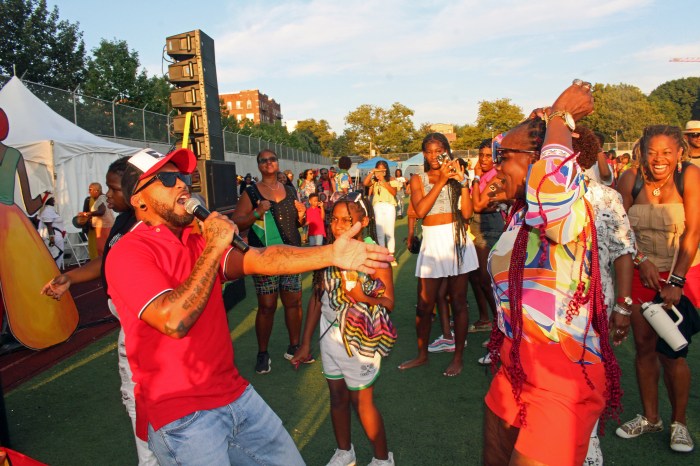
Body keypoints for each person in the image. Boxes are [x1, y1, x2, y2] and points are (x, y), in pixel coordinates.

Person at [104, 147, 393, 465]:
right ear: (139, 200)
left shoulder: (196, 241)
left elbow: (261, 258)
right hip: (180, 415)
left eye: (184, 176)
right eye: (168, 178)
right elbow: (174, 319)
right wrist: (214, 245)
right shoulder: (128, 252)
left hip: (233, 393)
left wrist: (329, 254)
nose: (182, 185)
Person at [482, 81, 622, 466]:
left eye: (502, 156)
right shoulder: (520, 213)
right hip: (515, 363)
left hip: (560, 371)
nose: (493, 167)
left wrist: (561, 115)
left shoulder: (565, 204)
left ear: (536, 161)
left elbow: (553, 197)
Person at [41, 155, 157, 465]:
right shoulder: (122, 220)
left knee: (146, 401)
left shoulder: (150, 225)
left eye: (114, 189)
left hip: (148, 328)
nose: (108, 195)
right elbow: (106, 261)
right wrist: (70, 277)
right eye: (106, 188)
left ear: (135, 191)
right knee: (136, 403)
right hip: (129, 329)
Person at [292, 193, 395, 466]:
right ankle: (344, 452)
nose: (338, 226)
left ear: (364, 221)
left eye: (346, 220)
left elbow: (389, 302)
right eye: (334, 219)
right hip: (330, 334)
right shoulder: (330, 250)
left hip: (360, 338)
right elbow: (318, 297)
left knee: (362, 403)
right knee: (336, 396)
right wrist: (305, 344)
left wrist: (363, 298)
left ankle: (383, 459)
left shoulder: (373, 254)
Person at [615, 124, 700, 453]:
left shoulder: (689, 176)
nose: (659, 159)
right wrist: (641, 261)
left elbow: (693, 232)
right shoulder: (629, 178)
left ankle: (679, 422)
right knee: (644, 348)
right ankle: (651, 418)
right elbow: (619, 229)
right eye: (652, 152)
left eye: (667, 152)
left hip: (682, 273)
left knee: (673, 352)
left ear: (680, 152)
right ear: (642, 151)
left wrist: (675, 280)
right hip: (641, 273)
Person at [572, 126, 636, 465]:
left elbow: (623, 251)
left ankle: (589, 452)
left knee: (589, 381)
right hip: (550, 310)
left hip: (596, 303)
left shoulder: (605, 196)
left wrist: (624, 306)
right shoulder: (537, 199)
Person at [399, 132, 477, 377]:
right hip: (432, 242)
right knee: (424, 305)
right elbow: (420, 210)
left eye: (438, 151)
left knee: (459, 302)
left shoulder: (458, 179)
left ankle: (458, 357)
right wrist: (442, 180)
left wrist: (462, 183)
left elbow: (467, 214)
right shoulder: (418, 179)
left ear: (447, 151)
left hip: (456, 239)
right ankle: (422, 355)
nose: (434, 156)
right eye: (429, 151)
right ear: (423, 154)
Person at [0, 107, 78, 350]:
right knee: (15, 282)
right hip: (12, 222)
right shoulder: (14, 156)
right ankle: (18, 330)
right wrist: (44, 197)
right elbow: (32, 206)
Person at [232, 149, 309, 374]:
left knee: (294, 302)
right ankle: (262, 353)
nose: (268, 163)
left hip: (290, 254)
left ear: (277, 163)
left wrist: (302, 215)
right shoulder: (251, 192)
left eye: (272, 159)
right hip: (264, 257)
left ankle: (294, 346)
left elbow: (297, 224)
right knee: (267, 306)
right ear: (258, 166)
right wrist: (256, 213)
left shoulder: (290, 189)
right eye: (263, 160)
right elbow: (238, 223)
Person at [469, 139, 503, 344]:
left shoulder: (496, 177)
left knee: (484, 276)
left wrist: (474, 179)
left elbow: (479, 205)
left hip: (489, 227)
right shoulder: (484, 176)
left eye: (488, 155)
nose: (483, 159)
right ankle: (484, 319)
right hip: (475, 226)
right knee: (474, 276)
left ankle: (499, 322)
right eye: (481, 155)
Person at [363, 161, 399, 267]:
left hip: (389, 206)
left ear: (386, 170)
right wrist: (372, 173)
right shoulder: (374, 181)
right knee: (380, 232)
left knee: (390, 232)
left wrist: (383, 181)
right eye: (378, 169)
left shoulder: (391, 179)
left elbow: (394, 192)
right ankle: (383, 255)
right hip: (377, 206)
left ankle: (391, 255)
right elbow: (365, 183)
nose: (381, 171)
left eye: (383, 169)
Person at [79, 182, 114, 259]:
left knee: (102, 250)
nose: (89, 192)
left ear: (96, 191)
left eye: (90, 190)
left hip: (103, 227)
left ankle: (104, 267)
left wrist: (87, 214)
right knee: (106, 249)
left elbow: (102, 211)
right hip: (106, 226)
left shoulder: (101, 198)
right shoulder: (104, 197)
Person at [37, 193, 67, 269]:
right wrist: (52, 238)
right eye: (51, 198)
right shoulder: (47, 210)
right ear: (47, 200)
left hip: (56, 236)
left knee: (56, 258)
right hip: (53, 237)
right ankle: (55, 275)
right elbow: (49, 225)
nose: (53, 199)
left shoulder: (49, 209)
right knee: (56, 259)